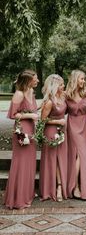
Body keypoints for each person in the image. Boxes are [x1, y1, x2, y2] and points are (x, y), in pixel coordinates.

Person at [4, 70, 39, 209]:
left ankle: (27, 194)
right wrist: (30, 117)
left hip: (31, 130)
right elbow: (12, 115)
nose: (38, 81)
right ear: (28, 80)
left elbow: (33, 111)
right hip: (22, 130)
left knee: (30, 163)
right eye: (35, 79)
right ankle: (17, 198)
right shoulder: (19, 94)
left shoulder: (32, 92)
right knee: (21, 163)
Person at [39, 74, 67, 202]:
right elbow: (42, 121)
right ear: (55, 86)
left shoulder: (62, 97)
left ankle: (61, 186)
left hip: (62, 131)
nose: (63, 86)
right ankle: (56, 188)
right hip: (51, 132)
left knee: (61, 159)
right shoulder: (49, 102)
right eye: (61, 84)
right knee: (53, 160)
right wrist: (58, 122)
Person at [66, 70, 86, 200]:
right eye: (82, 79)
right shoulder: (66, 95)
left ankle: (81, 187)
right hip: (71, 126)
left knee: (82, 155)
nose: (84, 81)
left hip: (85, 126)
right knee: (76, 155)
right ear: (75, 79)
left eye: (84, 79)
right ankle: (75, 187)